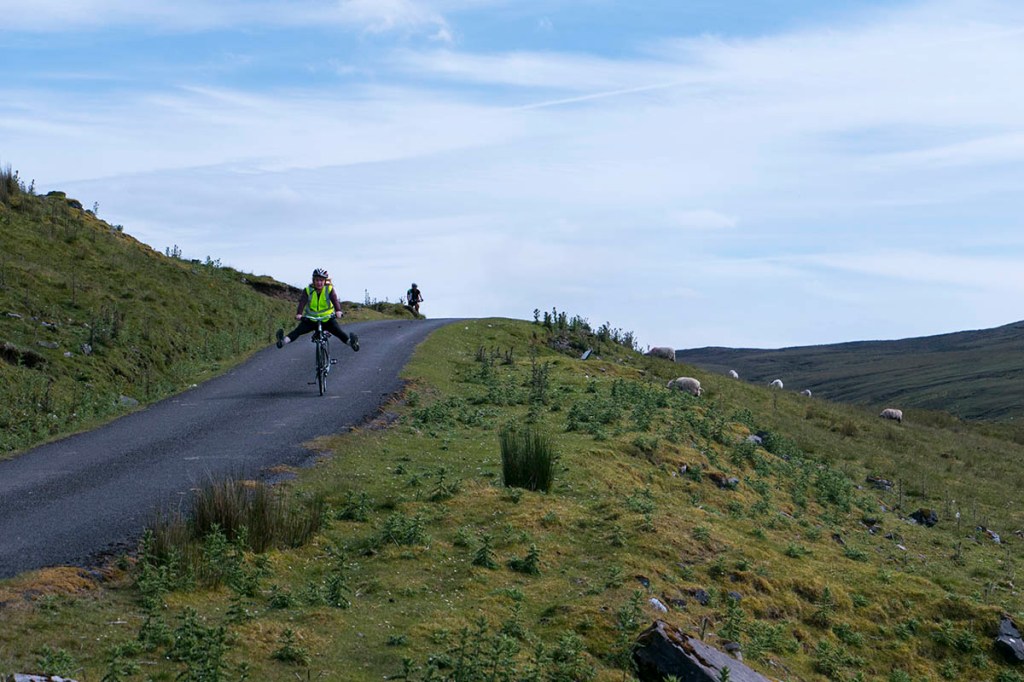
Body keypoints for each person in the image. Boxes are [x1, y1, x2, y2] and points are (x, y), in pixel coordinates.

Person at [276, 268, 359, 351]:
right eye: (317, 280)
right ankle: (283, 341)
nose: (319, 282)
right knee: (298, 331)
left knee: (338, 332)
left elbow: (335, 300)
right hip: (312, 320)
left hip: (327, 319)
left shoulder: (329, 289)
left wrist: (338, 311)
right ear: (313, 280)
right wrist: (299, 314)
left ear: (325, 281)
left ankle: (351, 343)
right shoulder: (308, 290)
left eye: (321, 280)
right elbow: (302, 302)